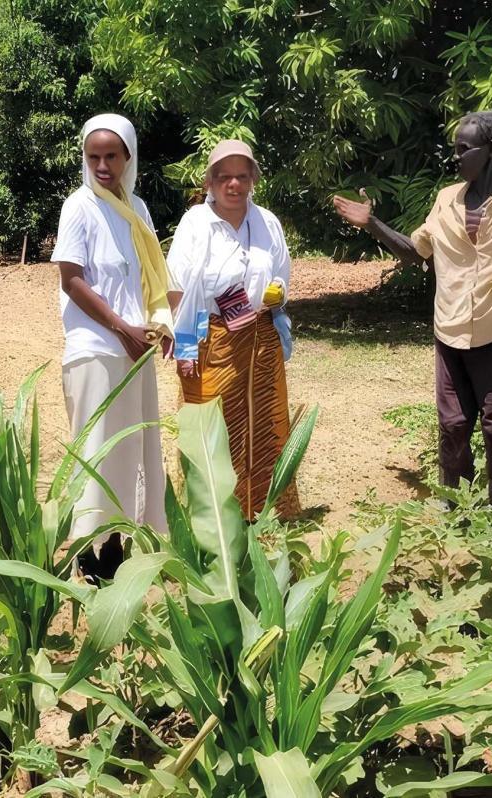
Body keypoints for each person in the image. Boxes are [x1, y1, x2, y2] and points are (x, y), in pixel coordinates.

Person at [332, 111, 492, 507]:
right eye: (455, 149)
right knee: (452, 425)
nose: (456, 157)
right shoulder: (446, 199)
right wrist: (373, 223)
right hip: (448, 329)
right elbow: (417, 251)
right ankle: (456, 504)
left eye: (463, 150)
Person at [51, 113, 176, 581]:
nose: (102, 165)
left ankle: (117, 544)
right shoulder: (78, 207)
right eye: (93, 157)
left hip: (134, 346)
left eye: (111, 156)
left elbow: (150, 278)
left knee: (130, 451)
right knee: (98, 450)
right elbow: (72, 279)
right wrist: (122, 327)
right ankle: (88, 550)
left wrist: (156, 327)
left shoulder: (136, 209)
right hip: (95, 346)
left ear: (128, 157)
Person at [167, 140, 298, 520]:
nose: (234, 185)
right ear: (209, 182)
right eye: (224, 177)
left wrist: (277, 293)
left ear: (253, 179)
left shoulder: (267, 222)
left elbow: (282, 273)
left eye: (242, 176)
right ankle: (213, 513)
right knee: (213, 426)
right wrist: (186, 344)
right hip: (214, 340)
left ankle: (263, 508)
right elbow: (178, 289)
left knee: (265, 422)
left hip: (261, 337)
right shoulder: (195, 224)